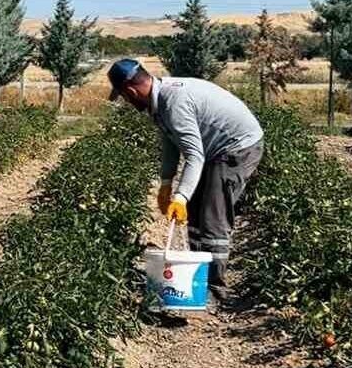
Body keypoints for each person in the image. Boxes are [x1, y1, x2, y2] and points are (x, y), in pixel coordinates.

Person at [107, 58, 264, 304]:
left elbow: (194, 155)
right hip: (216, 149)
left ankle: (214, 287)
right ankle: (197, 274)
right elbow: (171, 141)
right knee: (194, 208)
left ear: (131, 91)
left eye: (125, 97)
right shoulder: (159, 101)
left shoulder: (173, 102)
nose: (127, 102)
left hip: (237, 147)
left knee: (213, 216)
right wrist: (166, 182)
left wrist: (180, 197)